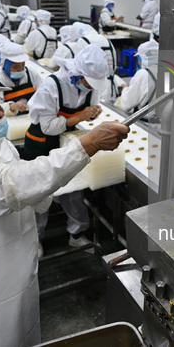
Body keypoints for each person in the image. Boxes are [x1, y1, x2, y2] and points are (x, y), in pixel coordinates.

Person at [0, 75, 128, 346]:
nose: (0, 113)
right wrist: (87, 145)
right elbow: (14, 185)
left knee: (27, 336)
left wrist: (46, 191)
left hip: (20, 274)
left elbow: (26, 187)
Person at [24, 45, 110, 254]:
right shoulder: (52, 86)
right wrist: (80, 116)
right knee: (40, 194)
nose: (91, 88)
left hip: (66, 143)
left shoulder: (91, 85)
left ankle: (77, 234)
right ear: (78, 75)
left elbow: (88, 107)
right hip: (41, 144)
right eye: (89, 83)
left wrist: (93, 112)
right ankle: (34, 239)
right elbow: (48, 126)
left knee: (73, 193)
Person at [0, 43, 43, 116]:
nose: (20, 69)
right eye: (16, 66)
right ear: (5, 64)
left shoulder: (31, 74)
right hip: (11, 124)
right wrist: (10, 106)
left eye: (23, 65)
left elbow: (43, 94)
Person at [75, 31, 118, 102]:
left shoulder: (82, 41)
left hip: (93, 88)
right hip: (110, 87)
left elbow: (78, 67)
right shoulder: (107, 41)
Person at [120, 40, 158, 113]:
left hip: (145, 121)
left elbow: (126, 105)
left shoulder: (143, 74)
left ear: (143, 58)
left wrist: (125, 89)